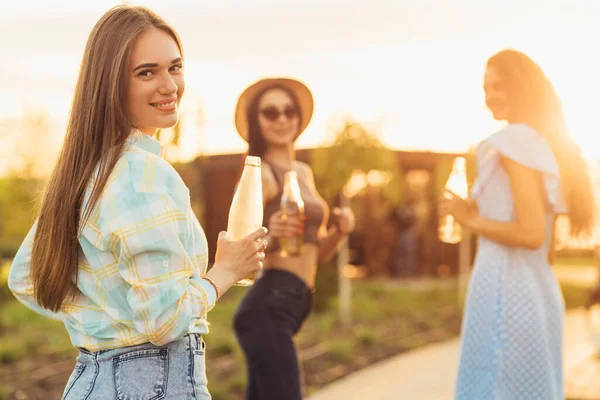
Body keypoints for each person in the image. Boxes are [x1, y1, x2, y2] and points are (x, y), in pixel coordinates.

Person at [8, 6, 267, 399]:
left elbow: (26, 277)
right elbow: (164, 322)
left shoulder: (86, 171)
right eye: (147, 72)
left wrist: (110, 321)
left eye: (175, 67)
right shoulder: (141, 176)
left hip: (91, 383)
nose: (169, 85)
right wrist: (226, 271)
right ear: (111, 84)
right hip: (152, 384)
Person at [439, 49, 595, 399]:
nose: (489, 98)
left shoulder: (512, 142)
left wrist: (471, 219)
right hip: (536, 293)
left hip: (504, 293)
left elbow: (530, 233)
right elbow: (546, 247)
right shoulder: (542, 144)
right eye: (485, 89)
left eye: (498, 86)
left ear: (521, 87)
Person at [231, 78, 356, 400]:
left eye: (288, 111)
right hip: (269, 303)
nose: (282, 119)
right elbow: (238, 249)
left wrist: (340, 231)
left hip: (292, 301)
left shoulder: (302, 172)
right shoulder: (262, 174)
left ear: (299, 118)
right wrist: (271, 234)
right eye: (270, 113)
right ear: (257, 123)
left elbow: (318, 253)